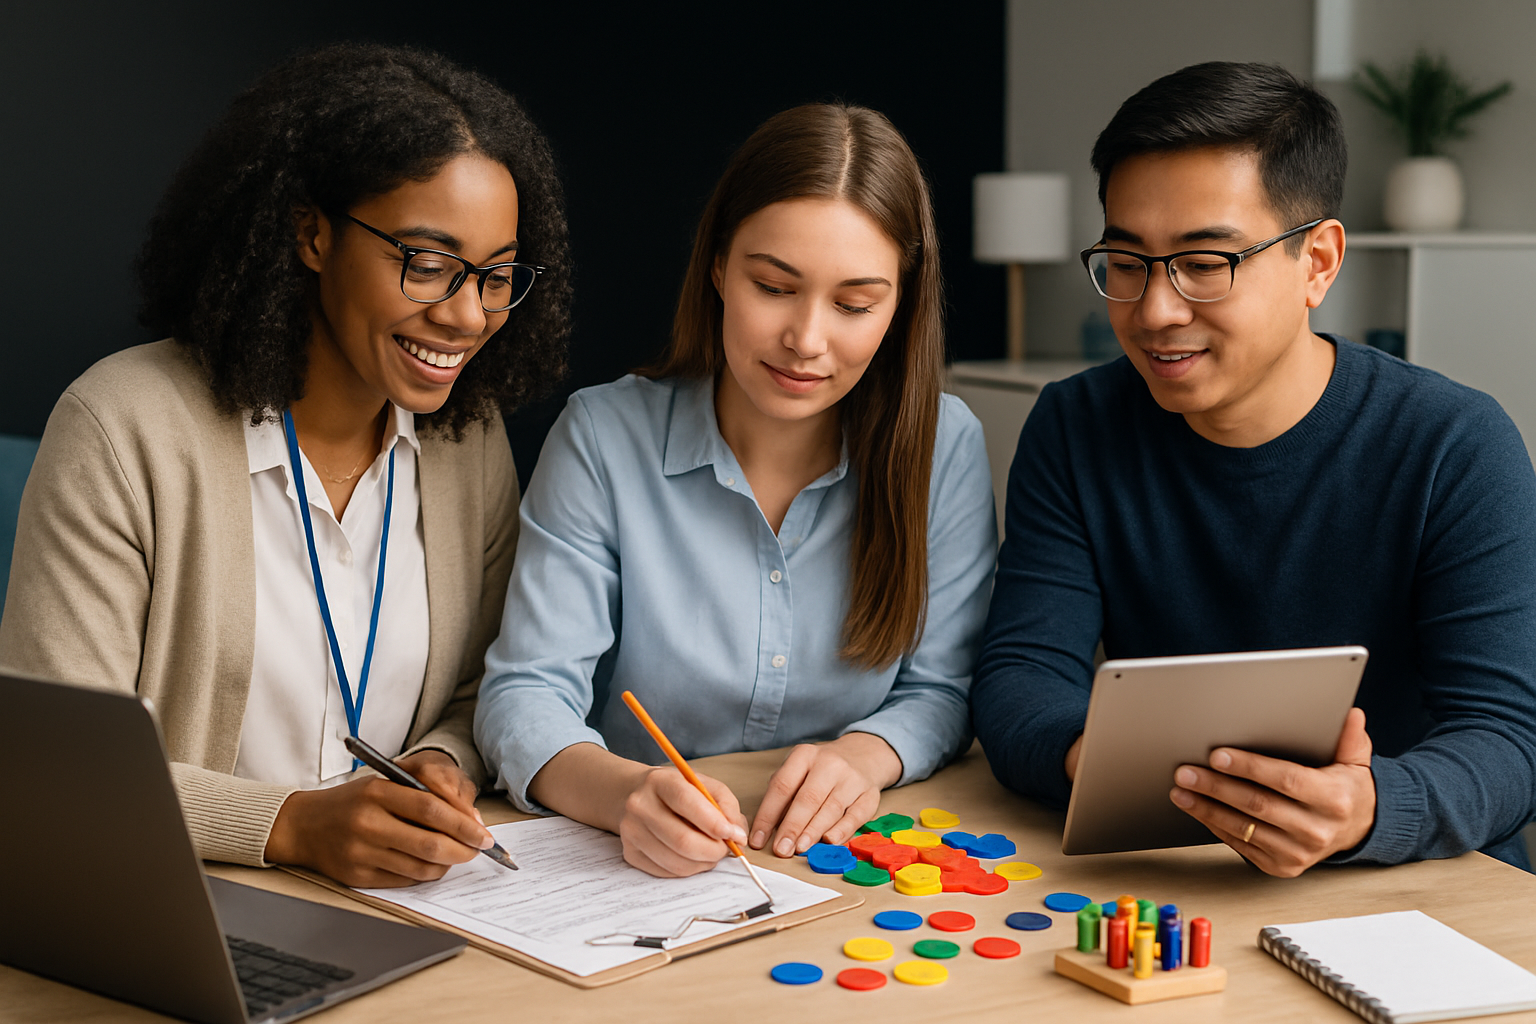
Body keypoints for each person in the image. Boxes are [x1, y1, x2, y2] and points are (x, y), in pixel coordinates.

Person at [0, 43, 572, 887]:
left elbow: (477, 687)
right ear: (311, 232)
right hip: (169, 905)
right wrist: (291, 825)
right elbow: (51, 768)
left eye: (494, 275)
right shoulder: (122, 426)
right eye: (426, 262)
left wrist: (441, 763)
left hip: (401, 910)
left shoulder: (466, 441)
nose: (466, 314)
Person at [971, 61, 1536, 876]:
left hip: (1418, 883)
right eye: (1126, 263)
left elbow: (1509, 742)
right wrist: (1102, 762)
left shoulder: (1455, 443)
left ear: (1319, 263)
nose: (1156, 311)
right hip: (1172, 873)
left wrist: (1368, 808)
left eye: (1206, 263)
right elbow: (1023, 674)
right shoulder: (1077, 423)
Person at [474, 103, 996, 878]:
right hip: (636, 871)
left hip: (838, 865)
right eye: (774, 287)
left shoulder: (944, 446)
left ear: (900, 305)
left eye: (855, 305)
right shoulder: (604, 436)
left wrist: (864, 756)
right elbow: (523, 694)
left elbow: (943, 690)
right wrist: (628, 796)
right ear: (718, 266)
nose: (808, 340)